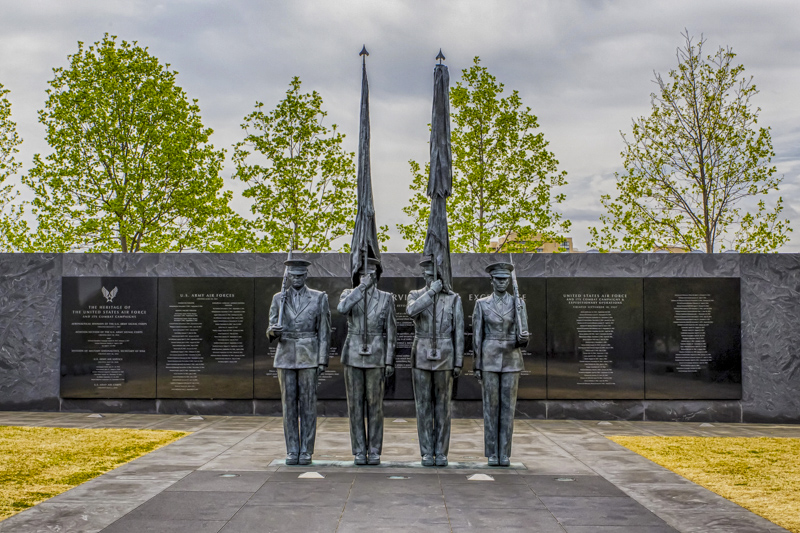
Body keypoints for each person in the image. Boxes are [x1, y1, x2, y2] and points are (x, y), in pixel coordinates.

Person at [267, 258, 331, 466]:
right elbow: (270, 328)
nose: (296, 279)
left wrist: (322, 360)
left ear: (306, 276)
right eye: (292, 275)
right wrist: (272, 332)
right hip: (285, 355)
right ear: (288, 277)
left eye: (300, 275)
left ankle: (306, 450)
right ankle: (292, 449)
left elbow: (324, 331)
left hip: (309, 354)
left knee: (308, 406)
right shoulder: (279, 298)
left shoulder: (319, 298)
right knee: (289, 407)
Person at [337, 258, 396, 465]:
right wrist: (360, 288)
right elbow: (342, 309)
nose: (367, 276)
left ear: (377, 275)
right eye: (363, 273)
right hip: (353, 354)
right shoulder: (349, 293)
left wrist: (389, 361)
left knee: (375, 405)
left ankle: (374, 449)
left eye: (371, 272)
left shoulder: (386, 298)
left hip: (377, 355)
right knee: (355, 406)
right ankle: (359, 450)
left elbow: (391, 331)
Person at [406, 258, 464, 466]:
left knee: (442, 407)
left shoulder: (453, 299)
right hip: (421, 354)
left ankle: (441, 452)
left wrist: (458, 361)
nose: (430, 279)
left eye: (434, 276)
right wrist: (430, 292)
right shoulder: (415, 295)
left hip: (445, 355)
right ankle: (426, 451)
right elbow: (411, 312)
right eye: (427, 276)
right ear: (423, 276)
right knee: (423, 407)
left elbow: (459, 332)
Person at [472, 262, 529, 467]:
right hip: (489, 358)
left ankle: (504, 452)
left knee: (508, 408)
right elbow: (477, 337)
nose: (502, 282)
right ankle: (492, 453)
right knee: (490, 408)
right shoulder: (482, 304)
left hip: (511, 359)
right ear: (492, 280)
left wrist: (523, 337)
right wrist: (477, 364)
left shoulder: (518, 303)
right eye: (498, 279)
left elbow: (524, 337)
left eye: (505, 279)